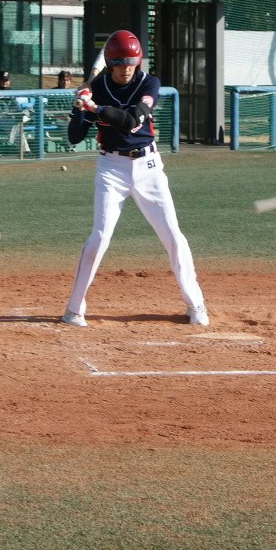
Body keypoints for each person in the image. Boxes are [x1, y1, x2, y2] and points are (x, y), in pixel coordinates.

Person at [61, 29, 209, 328]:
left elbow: (131, 121)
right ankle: (74, 309)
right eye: (118, 62)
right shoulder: (98, 87)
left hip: (149, 167)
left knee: (172, 236)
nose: (126, 68)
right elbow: (75, 137)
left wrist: (96, 107)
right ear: (110, 63)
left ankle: (196, 305)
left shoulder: (149, 82)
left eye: (131, 61)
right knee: (99, 237)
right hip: (110, 169)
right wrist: (78, 105)